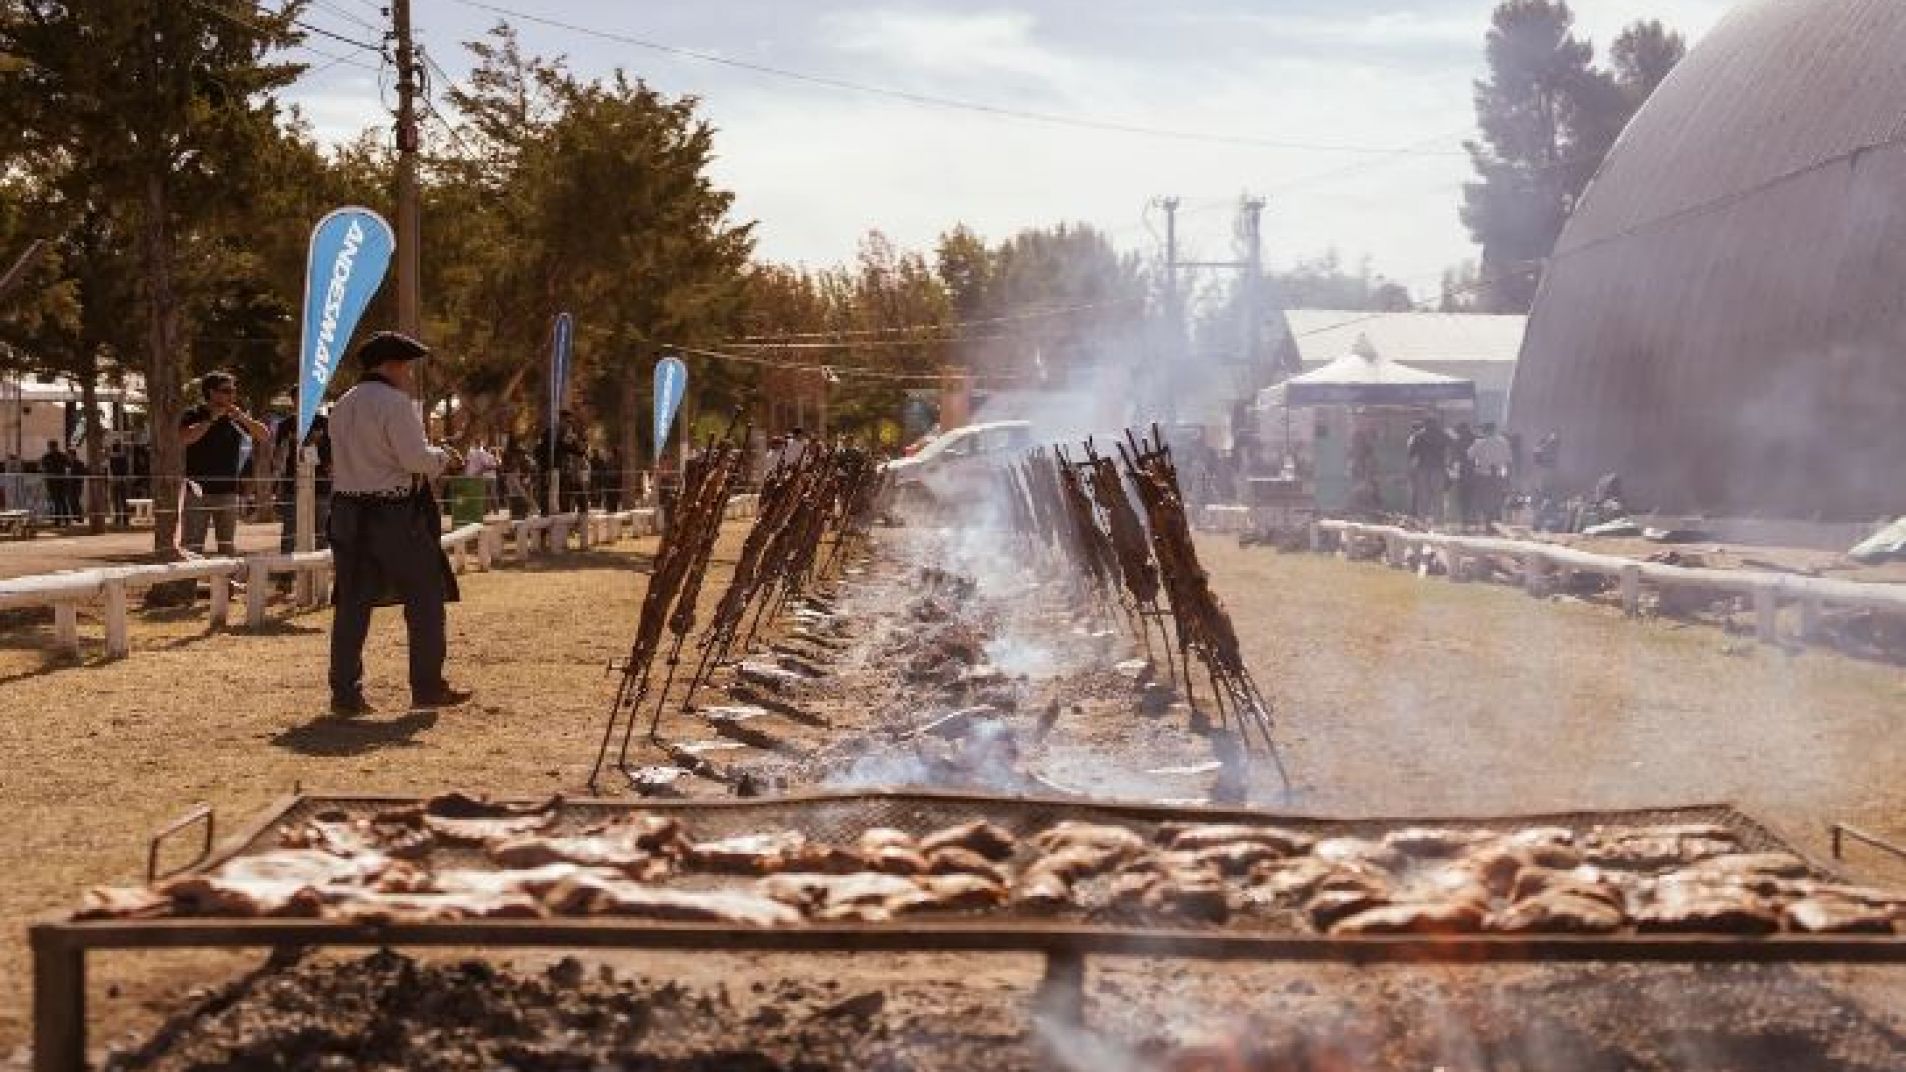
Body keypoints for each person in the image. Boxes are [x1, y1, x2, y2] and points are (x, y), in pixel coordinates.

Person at [325, 332, 471, 716]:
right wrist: (443, 457)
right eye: (406, 367)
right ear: (391, 365)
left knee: (352, 604)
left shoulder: (341, 405)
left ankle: (345, 694)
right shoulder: (394, 403)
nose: (408, 375)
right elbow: (413, 459)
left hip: (347, 512)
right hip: (393, 514)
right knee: (424, 599)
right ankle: (426, 688)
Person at [178, 371, 270, 556]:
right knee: (192, 546)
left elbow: (264, 435)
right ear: (211, 393)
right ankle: (187, 585)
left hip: (227, 492)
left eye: (234, 391)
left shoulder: (235, 418)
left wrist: (243, 418)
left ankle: (227, 584)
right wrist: (211, 419)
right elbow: (184, 438)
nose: (232, 396)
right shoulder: (194, 414)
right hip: (197, 492)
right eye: (226, 391)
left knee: (227, 546)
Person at [276, 413, 333, 554]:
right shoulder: (285, 424)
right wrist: (300, 441)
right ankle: (285, 571)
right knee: (290, 529)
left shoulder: (325, 422)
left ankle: (322, 569)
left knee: (322, 529)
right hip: (292, 485)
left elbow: (331, 453)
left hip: (320, 485)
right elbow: (279, 455)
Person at [1467, 422, 1514, 525]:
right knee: (1497, 499)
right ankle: (1496, 521)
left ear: (1484, 431)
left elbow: (1469, 456)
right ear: (1495, 430)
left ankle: (1486, 521)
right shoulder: (1504, 442)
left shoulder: (1478, 442)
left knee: (1484, 499)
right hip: (1499, 475)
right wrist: (1508, 477)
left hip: (1484, 474)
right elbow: (1509, 461)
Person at [1405, 419, 1449, 523]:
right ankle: (1439, 520)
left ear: (1425, 425)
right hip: (1438, 468)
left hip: (1423, 468)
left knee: (1423, 495)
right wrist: (1448, 463)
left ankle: (1422, 519)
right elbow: (1452, 447)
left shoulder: (1419, 436)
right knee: (1438, 495)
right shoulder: (1442, 435)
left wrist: (1411, 468)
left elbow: (1411, 453)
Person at [107, 440, 132, 528]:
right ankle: (125, 519)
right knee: (123, 500)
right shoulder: (124, 457)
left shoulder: (112, 458)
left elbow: (110, 470)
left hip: (115, 480)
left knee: (116, 501)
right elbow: (127, 469)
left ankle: (118, 518)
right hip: (122, 480)